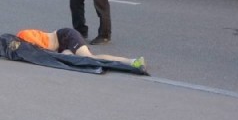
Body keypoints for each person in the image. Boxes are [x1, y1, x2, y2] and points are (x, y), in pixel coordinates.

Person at [16, 28, 146, 73]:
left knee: (90, 58)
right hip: (62, 44)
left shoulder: (25, 38)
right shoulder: (23, 37)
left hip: (66, 37)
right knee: (70, 58)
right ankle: (130, 62)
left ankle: (132, 61)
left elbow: (44, 52)